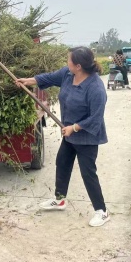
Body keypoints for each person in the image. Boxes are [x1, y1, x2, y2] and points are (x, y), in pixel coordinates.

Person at [16, 47, 110, 227]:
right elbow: (49, 78)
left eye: (69, 60)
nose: (67, 63)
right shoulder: (68, 74)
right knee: (62, 163)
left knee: (87, 173)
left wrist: (74, 128)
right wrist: (27, 81)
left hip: (87, 137)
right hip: (69, 134)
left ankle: (102, 211)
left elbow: (95, 119)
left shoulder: (95, 88)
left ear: (79, 66)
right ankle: (59, 199)